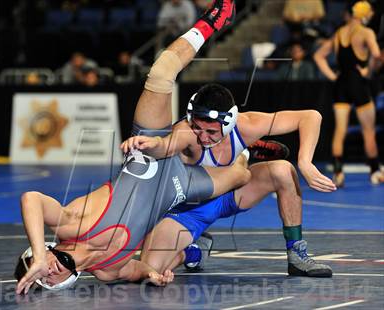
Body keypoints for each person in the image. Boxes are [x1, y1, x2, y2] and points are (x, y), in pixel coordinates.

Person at [15, 0, 239, 294]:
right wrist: (153, 275)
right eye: (45, 278)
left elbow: (31, 198)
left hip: (147, 157)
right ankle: (247, 151)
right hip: (177, 187)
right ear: (59, 285)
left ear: (46, 250)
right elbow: (136, 270)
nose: (48, 271)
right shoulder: (107, 272)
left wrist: (39, 254)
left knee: (161, 73)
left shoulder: (71, 225)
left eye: (39, 265)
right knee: (242, 176)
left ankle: (213, 21)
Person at [123, 84, 336, 278]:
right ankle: (193, 252)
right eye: (198, 127)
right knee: (149, 270)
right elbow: (166, 145)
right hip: (188, 209)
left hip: (229, 195)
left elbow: (310, 117)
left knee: (283, 170)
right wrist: (150, 143)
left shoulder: (247, 125)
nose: (203, 137)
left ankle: (296, 253)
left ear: (228, 123)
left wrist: (305, 161)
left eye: (211, 132)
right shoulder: (186, 132)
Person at [314, 0, 384, 186]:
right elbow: (377, 55)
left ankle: (338, 173)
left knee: (340, 130)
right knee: (368, 131)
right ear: (364, 15)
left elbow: (318, 55)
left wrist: (332, 76)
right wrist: (368, 72)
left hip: (341, 84)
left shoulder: (339, 33)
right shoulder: (366, 32)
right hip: (358, 83)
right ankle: (375, 172)